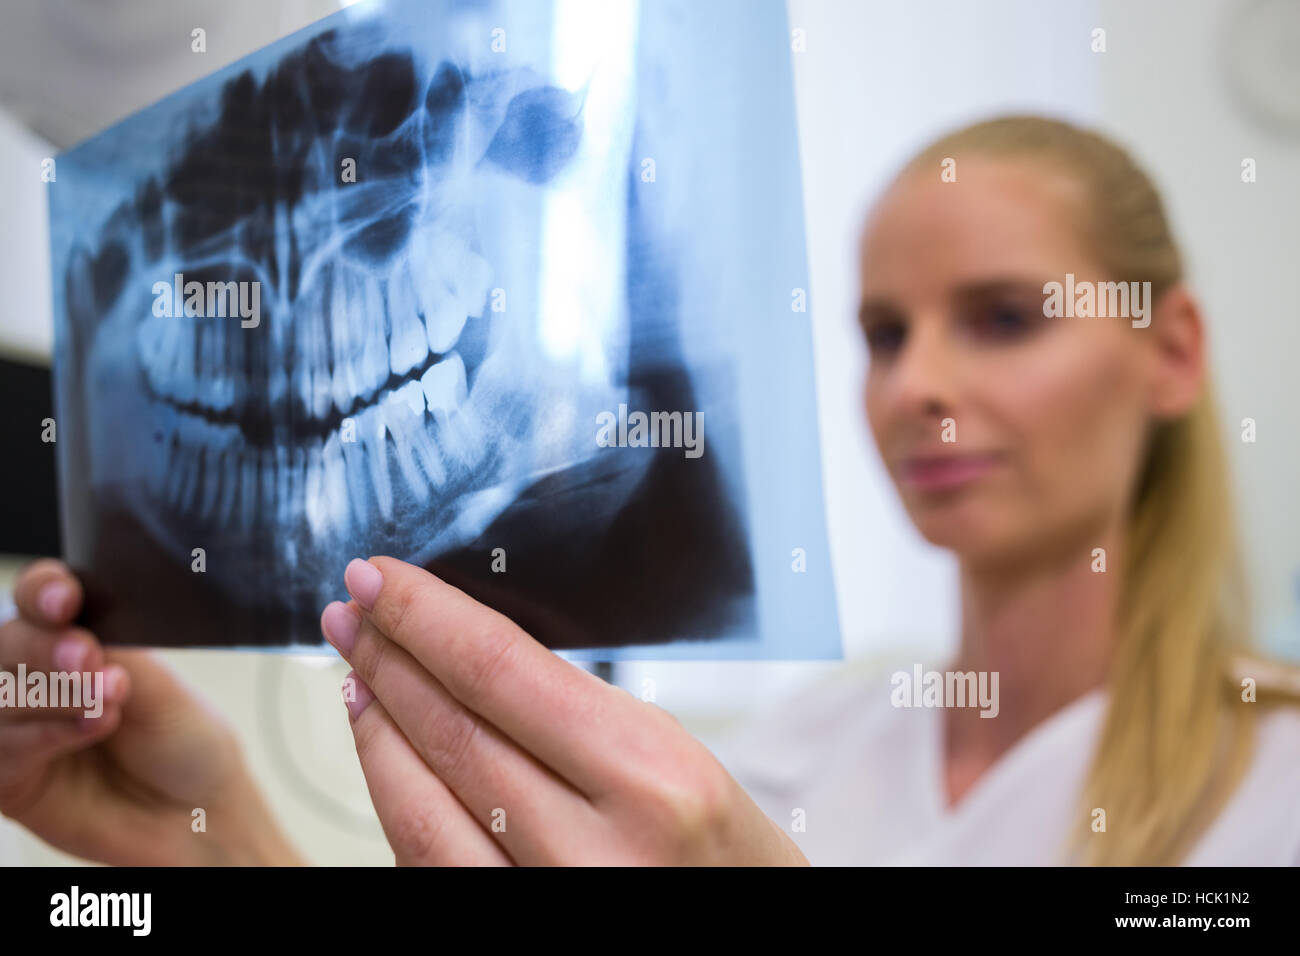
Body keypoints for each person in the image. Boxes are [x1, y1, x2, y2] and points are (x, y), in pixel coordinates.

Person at [2, 115, 1297, 865]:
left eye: (1005, 317)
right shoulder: (797, 748)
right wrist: (210, 827)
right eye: (884, 335)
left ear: (1172, 351)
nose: (918, 386)